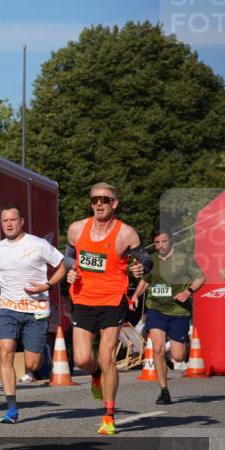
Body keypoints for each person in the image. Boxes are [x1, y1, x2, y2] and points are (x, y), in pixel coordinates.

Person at [66, 183, 149, 435]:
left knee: (107, 357)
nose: (99, 204)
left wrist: (140, 268)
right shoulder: (77, 228)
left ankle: (109, 416)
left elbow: (145, 259)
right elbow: (69, 255)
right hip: (82, 298)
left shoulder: (126, 233)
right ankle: (94, 376)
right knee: (81, 359)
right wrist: (71, 269)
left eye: (104, 199)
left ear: (114, 203)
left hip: (113, 299)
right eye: (94, 200)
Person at [0, 204, 66, 424]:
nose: (8, 224)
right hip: (8, 308)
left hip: (36, 309)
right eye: (5, 220)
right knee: (6, 352)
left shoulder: (38, 244)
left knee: (32, 364)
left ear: (21, 221)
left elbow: (62, 266)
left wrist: (48, 286)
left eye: (12, 220)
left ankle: (41, 351)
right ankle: (12, 407)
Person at [130, 230, 204, 404]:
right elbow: (146, 280)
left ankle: (183, 343)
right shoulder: (152, 260)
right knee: (157, 348)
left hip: (178, 311)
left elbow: (201, 278)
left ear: (171, 241)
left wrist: (188, 292)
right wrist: (136, 296)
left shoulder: (183, 258)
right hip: (156, 309)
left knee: (178, 357)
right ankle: (164, 391)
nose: (160, 245)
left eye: (164, 241)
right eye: (157, 242)